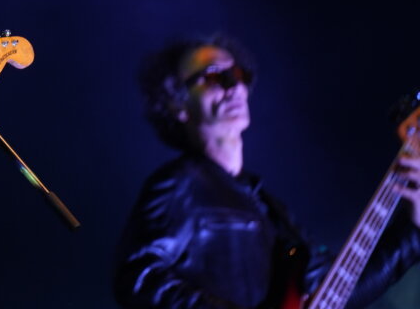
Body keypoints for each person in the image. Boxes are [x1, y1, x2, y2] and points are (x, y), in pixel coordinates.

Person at [114, 33, 420, 308]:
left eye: (238, 74)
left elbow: (341, 290)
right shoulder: (178, 186)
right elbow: (138, 277)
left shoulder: (271, 210)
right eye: (213, 77)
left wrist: (413, 230)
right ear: (177, 105)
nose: (234, 86)